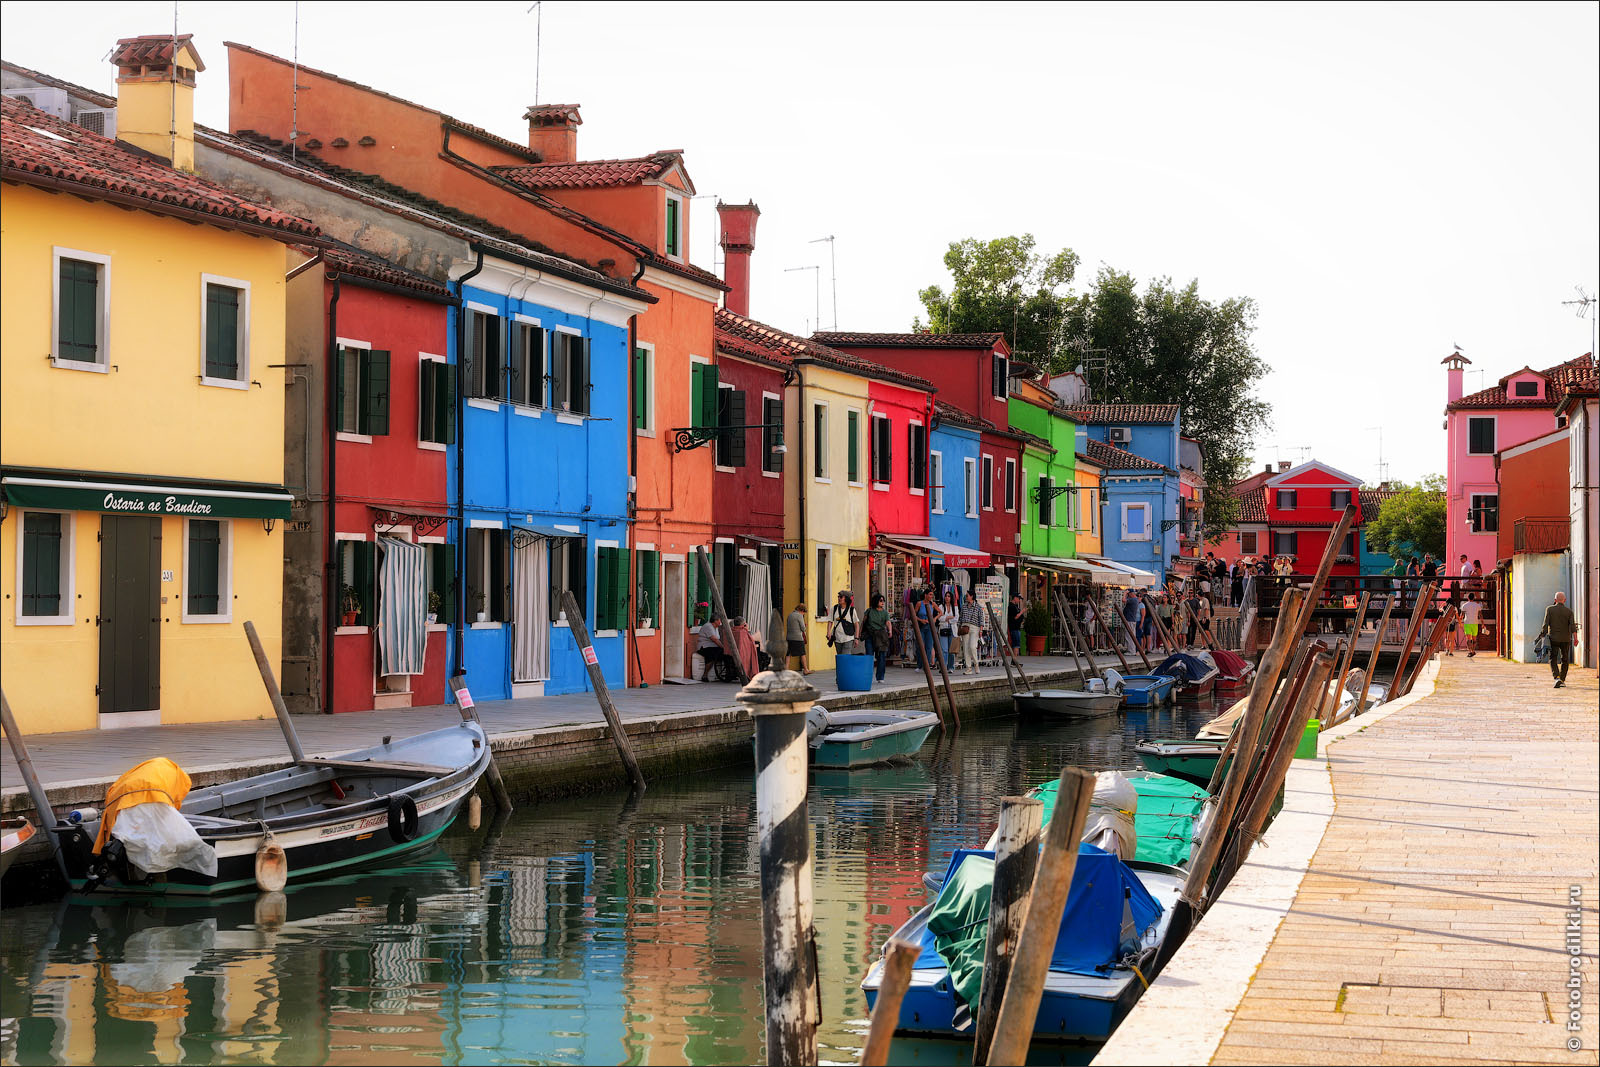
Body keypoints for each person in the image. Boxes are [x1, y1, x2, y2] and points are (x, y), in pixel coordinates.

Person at [1538, 591, 1579, 688]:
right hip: (1566, 639)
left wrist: (1542, 635)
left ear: (1555, 600)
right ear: (1564, 600)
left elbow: (1545, 624)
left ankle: (1556, 677)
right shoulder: (1569, 612)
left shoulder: (1549, 609)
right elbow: (1573, 627)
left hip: (1553, 638)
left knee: (1553, 658)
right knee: (1565, 659)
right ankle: (1562, 679)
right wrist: (1575, 638)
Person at [863, 593, 893, 682]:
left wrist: (890, 631)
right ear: (876, 601)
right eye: (880, 601)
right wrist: (859, 634)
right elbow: (863, 622)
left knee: (881, 656)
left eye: (883, 601)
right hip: (870, 635)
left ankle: (880, 677)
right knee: (869, 655)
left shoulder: (885, 613)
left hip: (881, 636)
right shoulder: (869, 611)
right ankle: (867, 676)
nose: (882, 602)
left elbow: (888, 622)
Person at [957, 590, 984, 674]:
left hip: (974, 627)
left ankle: (976, 664)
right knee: (965, 648)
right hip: (965, 627)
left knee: (972, 647)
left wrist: (981, 630)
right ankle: (968, 668)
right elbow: (960, 617)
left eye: (967, 595)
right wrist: (959, 627)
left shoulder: (978, 607)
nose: (966, 597)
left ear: (972, 596)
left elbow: (981, 619)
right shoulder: (964, 606)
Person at [697, 613, 729, 681]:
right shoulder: (708, 626)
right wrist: (723, 647)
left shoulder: (716, 627)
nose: (720, 622)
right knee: (713, 654)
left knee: (726, 654)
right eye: (719, 620)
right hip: (704, 647)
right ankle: (704, 675)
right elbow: (714, 639)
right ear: (715, 621)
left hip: (712, 646)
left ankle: (728, 672)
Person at [914, 589, 940, 667]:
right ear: (925, 595)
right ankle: (920, 664)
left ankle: (927, 664)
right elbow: (913, 615)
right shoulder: (919, 603)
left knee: (929, 646)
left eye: (932, 595)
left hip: (929, 626)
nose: (931, 596)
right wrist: (920, 620)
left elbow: (940, 612)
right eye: (930, 594)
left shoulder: (933, 604)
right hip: (921, 626)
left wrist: (935, 619)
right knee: (920, 645)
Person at [829, 590, 860, 656]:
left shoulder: (851, 610)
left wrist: (856, 638)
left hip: (848, 638)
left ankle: (846, 666)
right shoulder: (834, 609)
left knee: (845, 657)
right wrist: (828, 632)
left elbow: (856, 625)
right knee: (840, 657)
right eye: (838, 597)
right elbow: (830, 621)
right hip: (837, 638)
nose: (839, 598)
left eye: (841, 597)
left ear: (846, 598)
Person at [785, 603, 809, 674]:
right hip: (798, 638)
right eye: (804, 612)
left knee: (788, 654)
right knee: (802, 653)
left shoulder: (790, 615)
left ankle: (786, 669)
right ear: (801, 610)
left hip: (789, 637)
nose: (804, 614)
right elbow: (802, 628)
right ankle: (805, 670)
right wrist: (805, 626)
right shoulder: (799, 616)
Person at [937, 590, 959, 667]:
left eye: (949, 596)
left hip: (952, 629)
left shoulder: (955, 607)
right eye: (946, 596)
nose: (947, 598)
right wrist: (949, 617)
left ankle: (950, 667)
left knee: (951, 650)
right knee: (944, 650)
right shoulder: (941, 607)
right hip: (943, 629)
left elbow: (956, 618)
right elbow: (939, 618)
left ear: (951, 598)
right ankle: (943, 666)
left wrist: (946, 619)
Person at [1120, 589, 1143, 655]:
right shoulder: (1135, 600)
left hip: (1130, 619)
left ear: (1130, 593)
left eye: (1128, 594)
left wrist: (1124, 593)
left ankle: (1131, 650)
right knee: (1130, 635)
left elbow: (1123, 600)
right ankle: (1129, 649)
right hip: (1130, 619)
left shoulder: (1133, 600)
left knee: (1129, 636)